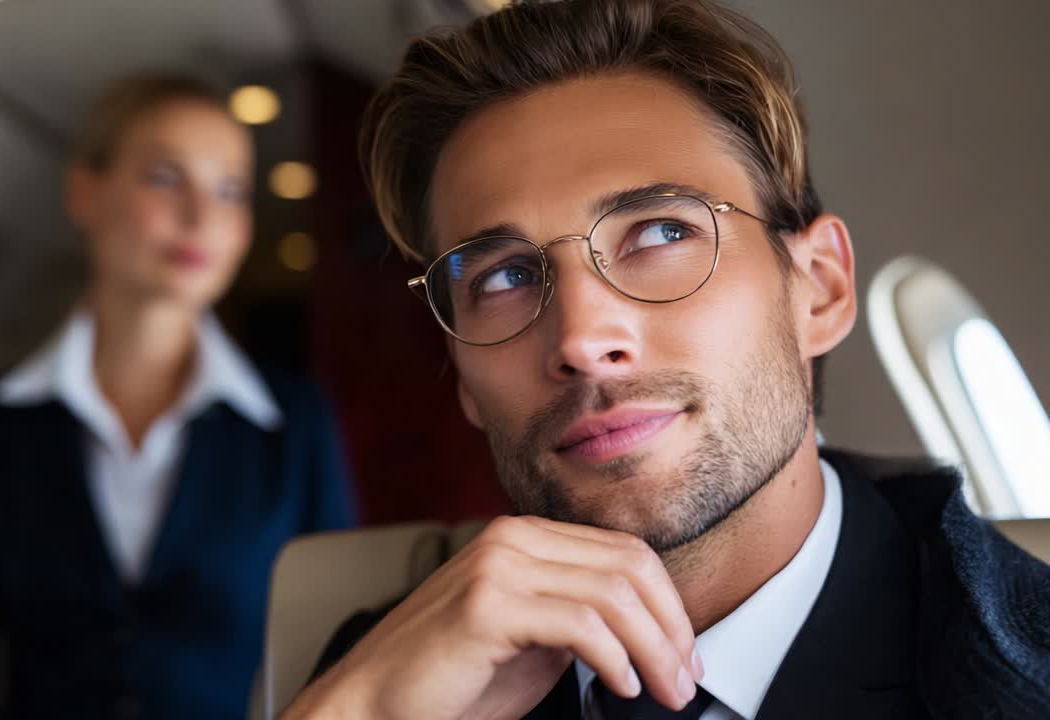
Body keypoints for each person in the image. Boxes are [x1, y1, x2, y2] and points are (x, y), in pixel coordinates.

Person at [283, 1, 1050, 719]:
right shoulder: (386, 677)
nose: (581, 340)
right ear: (464, 376)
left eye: (659, 234)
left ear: (818, 290)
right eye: (506, 277)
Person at [0, 72, 355, 719]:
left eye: (230, 191)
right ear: (86, 193)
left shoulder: (293, 424)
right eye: (166, 178)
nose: (200, 217)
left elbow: (340, 650)